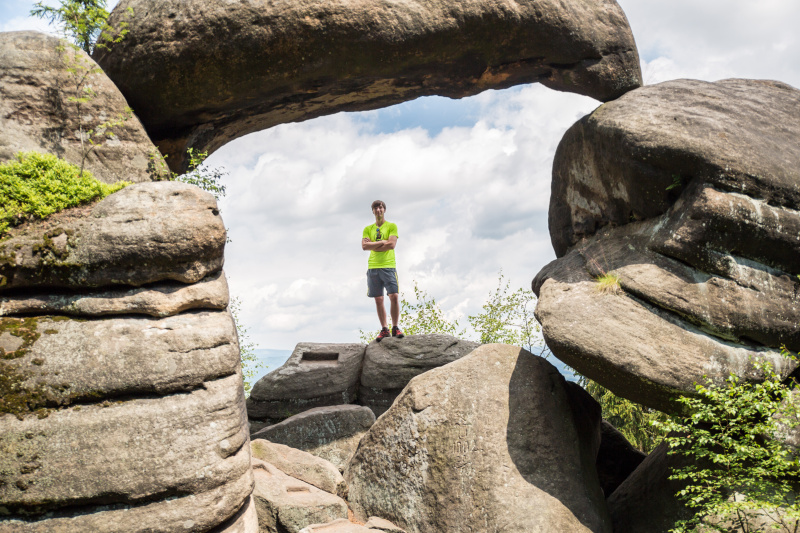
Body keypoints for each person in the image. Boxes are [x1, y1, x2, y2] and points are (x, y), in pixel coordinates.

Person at [362, 200, 404, 342]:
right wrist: (381, 242)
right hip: (373, 267)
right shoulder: (368, 229)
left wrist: (373, 245)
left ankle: (395, 327)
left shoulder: (391, 226)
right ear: (373, 211)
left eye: (380, 207)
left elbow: (391, 245)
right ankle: (384, 329)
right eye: (375, 208)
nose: (378, 210)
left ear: (384, 210)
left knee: (394, 296)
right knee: (378, 299)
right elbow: (364, 247)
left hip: (388, 265)